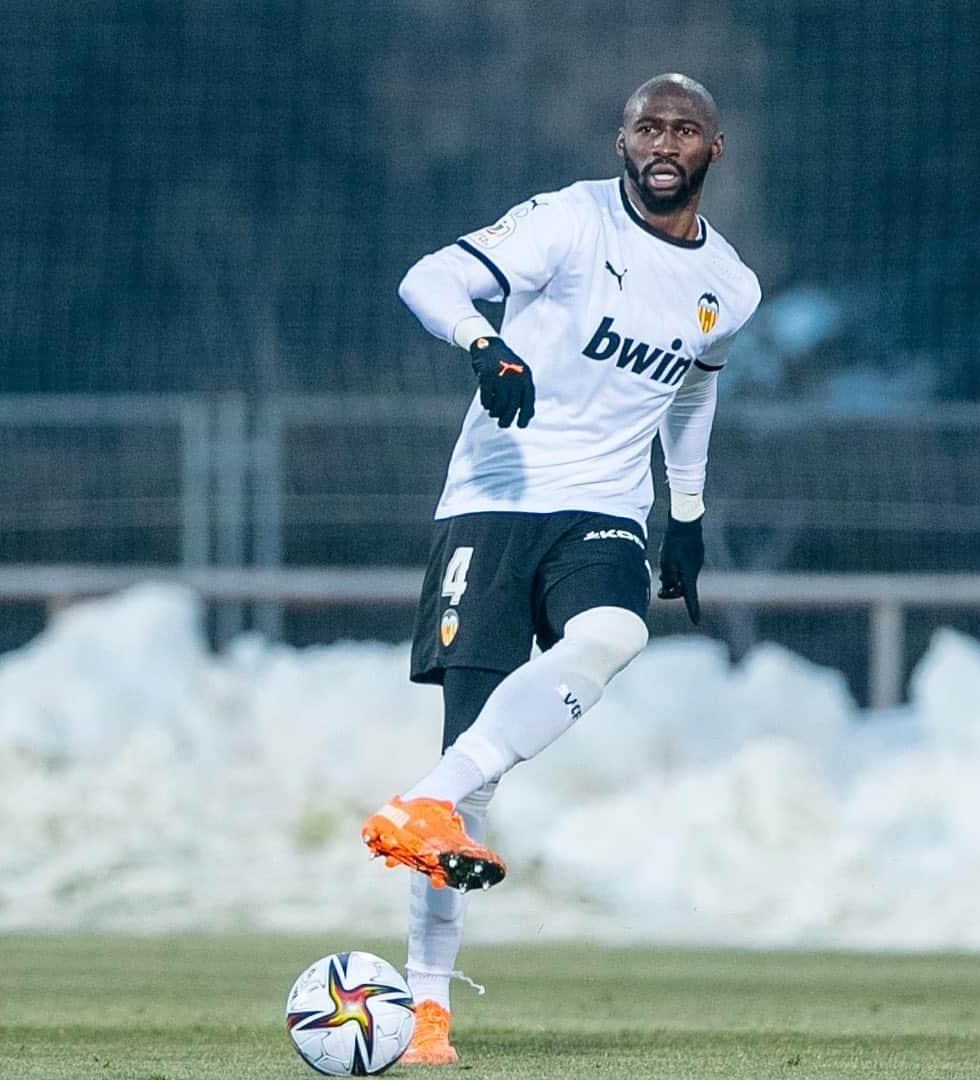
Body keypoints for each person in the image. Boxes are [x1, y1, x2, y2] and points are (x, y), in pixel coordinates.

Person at [362, 73, 761, 1064]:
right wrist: (485, 346)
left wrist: (689, 514)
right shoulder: (567, 221)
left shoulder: (733, 288)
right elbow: (427, 278)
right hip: (492, 504)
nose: (661, 140)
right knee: (473, 796)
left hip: (603, 510)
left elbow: (693, 393)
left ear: (716, 148)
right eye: (644, 125)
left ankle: (428, 797)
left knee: (617, 631)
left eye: (683, 127)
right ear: (621, 141)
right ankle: (427, 1014)